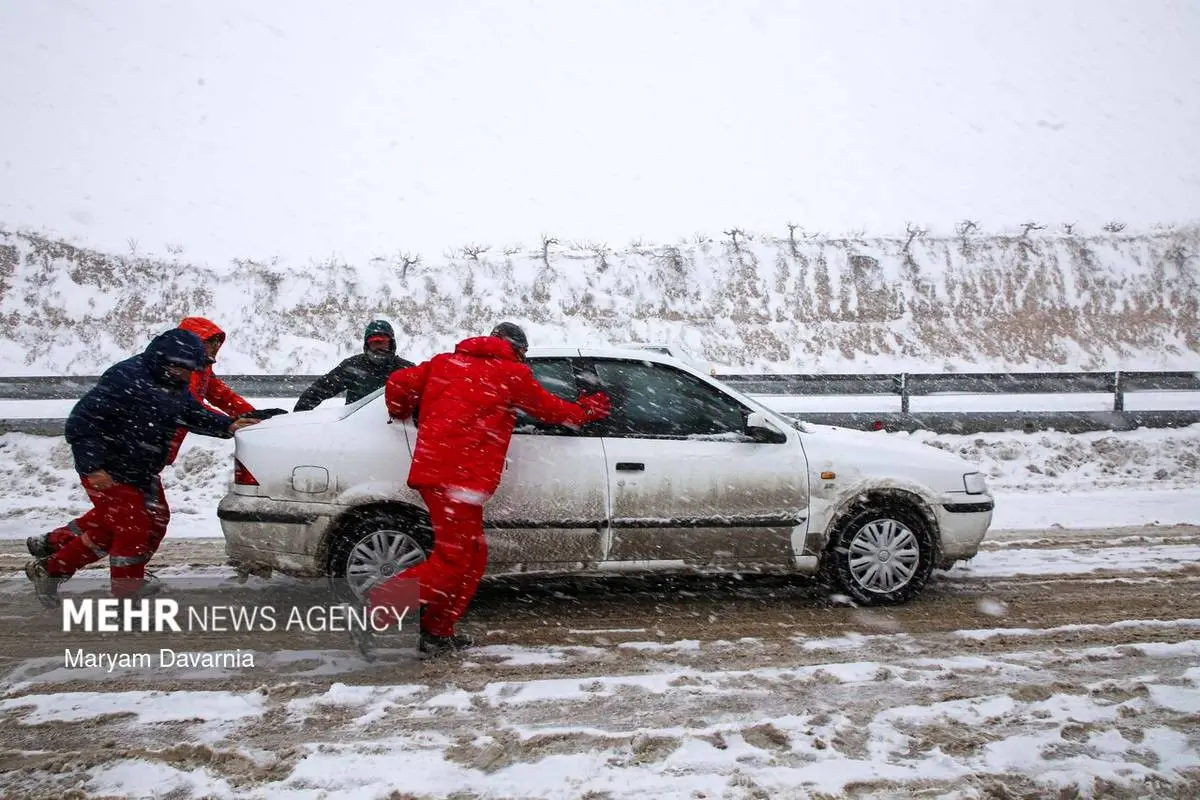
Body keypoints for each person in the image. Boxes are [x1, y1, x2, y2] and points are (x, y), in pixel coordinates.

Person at [362, 322, 611, 656]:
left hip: (439, 475)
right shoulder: (511, 375)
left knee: (473, 557)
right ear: (517, 349)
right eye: (523, 354)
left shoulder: (444, 363)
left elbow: (397, 383)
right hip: (460, 481)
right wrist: (587, 409)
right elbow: (553, 411)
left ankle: (437, 632)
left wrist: (401, 409)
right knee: (453, 561)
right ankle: (377, 610)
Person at [24, 329, 261, 606]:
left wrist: (228, 425)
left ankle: (51, 568)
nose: (190, 377)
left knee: (145, 523)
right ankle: (127, 600)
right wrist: (93, 468)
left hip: (141, 469)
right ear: (168, 363)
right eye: (186, 370)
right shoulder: (126, 379)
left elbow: (189, 412)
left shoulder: (172, 383)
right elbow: (81, 423)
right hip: (109, 470)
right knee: (133, 529)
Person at [294, 319, 414, 411]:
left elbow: (425, 403)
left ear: (391, 344)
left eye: (383, 342)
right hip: (355, 430)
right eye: (374, 342)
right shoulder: (352, 367)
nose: (379, 347)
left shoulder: (406, 370)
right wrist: (299, 415)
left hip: (394, 431)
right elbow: (318, 390)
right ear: (367, 345)